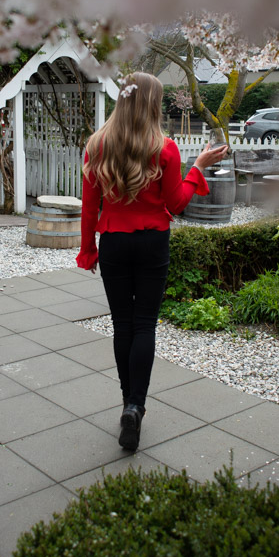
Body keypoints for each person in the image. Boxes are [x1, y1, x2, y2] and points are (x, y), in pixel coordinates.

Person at [76, 72, 228, 451]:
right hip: (152, 243)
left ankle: (128, 402)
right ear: (151, 104)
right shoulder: (165, 148)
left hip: (114, 242)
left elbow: (90, 207)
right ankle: (135, 406)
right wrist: (198, 167)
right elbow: (176, 204)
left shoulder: (97, 146)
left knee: (122, 324)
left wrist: (88, 250)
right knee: (144, 324)